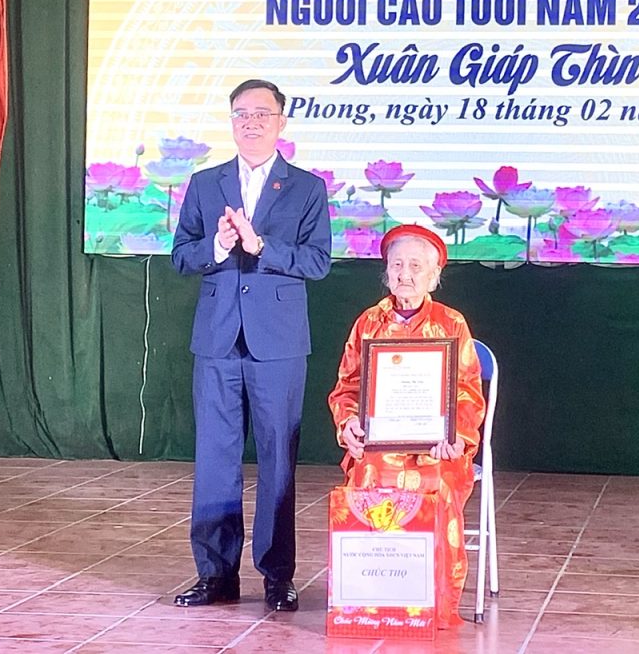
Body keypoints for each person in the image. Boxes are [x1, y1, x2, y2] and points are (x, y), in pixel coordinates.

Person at [171, 79, 331, 611]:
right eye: (242, 114)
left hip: (278, 344)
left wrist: (261, 245)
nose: (252, 122)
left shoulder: (307, 188)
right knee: (215, 460)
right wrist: (218, 245)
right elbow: (181, 256)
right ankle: (215, 575)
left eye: (262, 113)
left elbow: (317, 262)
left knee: (277, 460)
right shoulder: (205, 183)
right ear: (231, 122)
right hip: (217, 341)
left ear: (282, 121)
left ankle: (277, 576)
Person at [327, 224, 486, 628]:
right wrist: (349, 424)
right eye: (397, 265)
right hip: (379, 446)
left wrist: (455, 437)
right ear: (386, 272)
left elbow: (468, 392)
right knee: (366, 475)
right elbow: (347, 387)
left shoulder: (451, 323)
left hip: (435, 448)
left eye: (416, 266)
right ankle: (371, 602)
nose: (405, 274)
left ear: (434, 275)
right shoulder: (368, 322)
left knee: (437, 481)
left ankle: (432, 605)